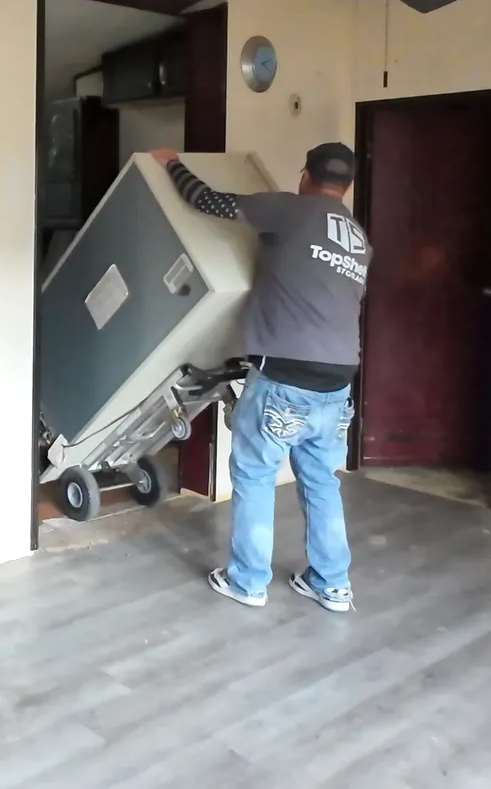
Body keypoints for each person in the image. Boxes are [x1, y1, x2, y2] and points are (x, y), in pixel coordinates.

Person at [150, 142, 369, 613]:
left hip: (284, 374)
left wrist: (171, 162)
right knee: (320, 477)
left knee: (254, 472)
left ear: (306, 176)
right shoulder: (357, 237)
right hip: (339, 380)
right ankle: (332, 584)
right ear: (346, 186)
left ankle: (248, 581)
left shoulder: (292, 210)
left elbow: (206, 200)